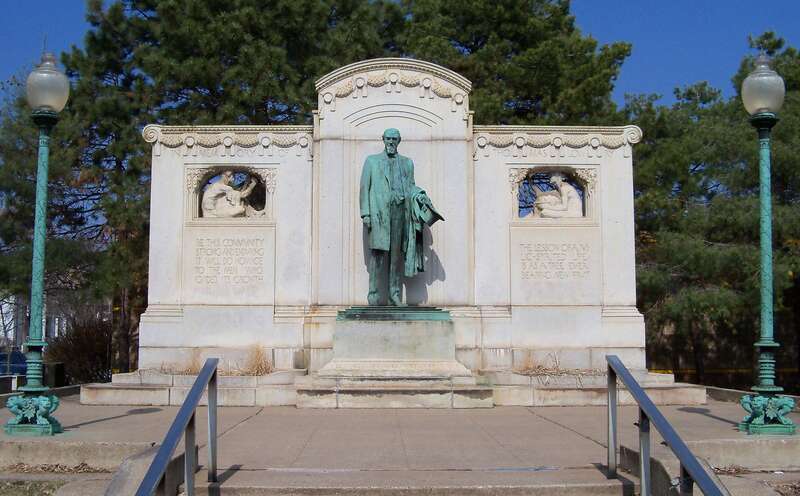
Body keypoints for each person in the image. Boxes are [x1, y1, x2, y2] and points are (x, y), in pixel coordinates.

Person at [360, 129, 423, 306]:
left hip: (400, 213)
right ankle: (373, 294)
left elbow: (411, 186)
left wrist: (420, 196)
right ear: (383, 139)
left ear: (399, 141)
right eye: (388, 138)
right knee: (377, 255)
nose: (391, 142)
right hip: (379, 214)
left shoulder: (407, 163)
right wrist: (366, 213)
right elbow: (364, 188)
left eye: (394, 139)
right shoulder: (372, 161)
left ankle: (394, 295)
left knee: (396, 257)